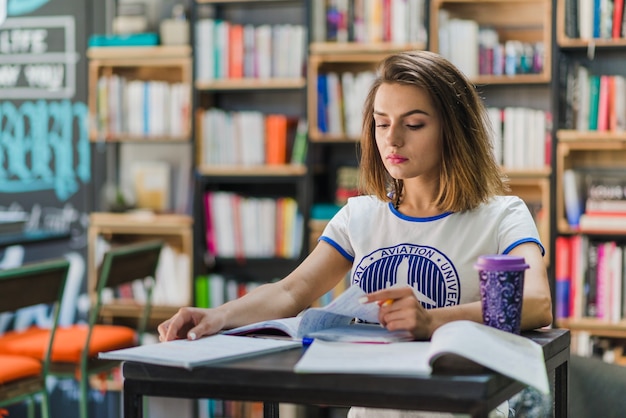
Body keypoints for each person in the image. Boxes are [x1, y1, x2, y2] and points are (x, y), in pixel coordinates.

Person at [158, 50, 553, 417]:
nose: (392, 139)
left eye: (413, 124)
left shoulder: (503, 214)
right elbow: (290, 291)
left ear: (454, 130)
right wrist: (215, 316)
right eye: (382, 123)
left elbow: (536, 303)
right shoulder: (361, 214)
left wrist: (431, 321)